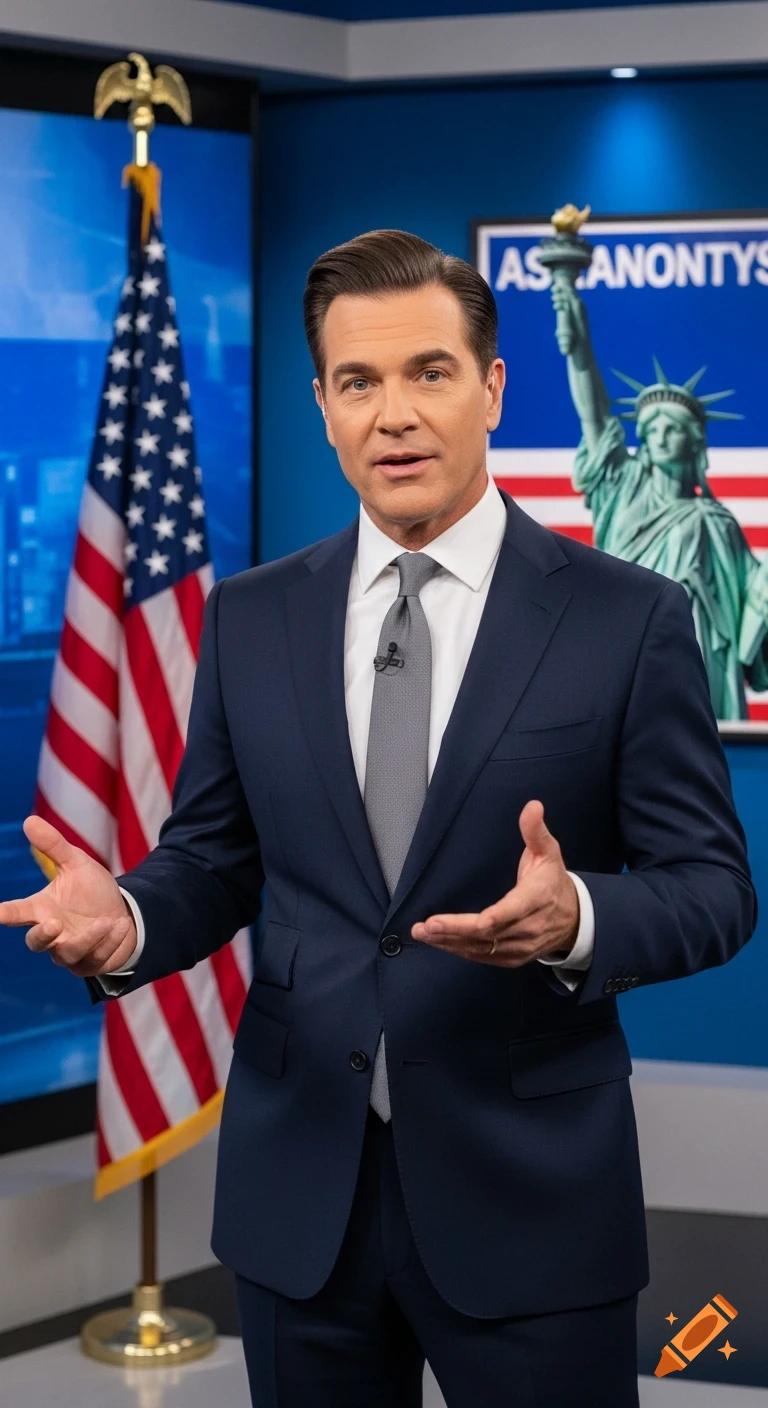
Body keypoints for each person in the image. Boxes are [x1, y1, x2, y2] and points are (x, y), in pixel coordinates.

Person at [0, 229, 756, 1407]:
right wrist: (133, 921)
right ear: (322, 403)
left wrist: (578, 920)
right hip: (301, 1203)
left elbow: (714, 888)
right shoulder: (252, 619)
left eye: (429, 372)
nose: (393, 413)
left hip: (534, 1211)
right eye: (359, 382)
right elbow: (214, 859)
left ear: (494, 386)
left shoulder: (629, 619)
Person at [550, 275, 768, 721]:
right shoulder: (622, 487)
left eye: (672, 430)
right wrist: (575, 329)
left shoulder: (718, 521)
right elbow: (593, 410)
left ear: (694, 443)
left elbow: (753, 595)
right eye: (651, 431)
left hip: (701, 658)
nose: (660, 438)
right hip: (624, 643)